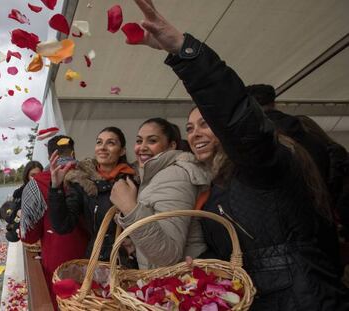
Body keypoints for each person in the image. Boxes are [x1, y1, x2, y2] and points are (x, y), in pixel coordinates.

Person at [128, 0, 349, 309]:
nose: (196, 134)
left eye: (206, 123)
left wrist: (184, 52)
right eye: (190, 128)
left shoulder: (260, 164)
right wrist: (204, 268)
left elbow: (239, 122)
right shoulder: (216, 184)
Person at [246, 84, 341, 273]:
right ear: (274, 102)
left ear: (248, 105)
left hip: (287, 244)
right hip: (323, 227)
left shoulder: (258, 141)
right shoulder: (309, 135)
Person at [110, 118, 211, 269]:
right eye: (139, 141)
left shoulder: (175, 175)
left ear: (171, 146)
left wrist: (129, 207)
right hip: (166, 280)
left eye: (152, 141)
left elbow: (168, 256)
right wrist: (137, 247)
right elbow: (159, 233)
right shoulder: (156, 175)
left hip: (180, 283)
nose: (142, 147)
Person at [48, 127, 138, 267]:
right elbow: (63, 225)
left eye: (111, 143)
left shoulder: (134, 181)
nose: (102, 147)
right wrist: (56, 187)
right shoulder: (82, 182)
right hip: (98, 263)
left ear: (122, 151)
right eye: (99, 142)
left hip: (131, 263)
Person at [20, 135, 88, 309]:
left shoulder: (36, 184)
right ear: (73, 152)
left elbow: (28, 236)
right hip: (93, 259)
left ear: (49, 155)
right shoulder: (91, 175)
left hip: (58, 264)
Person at [0, 161, 43, 242]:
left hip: (41, 230)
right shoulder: (19, 193)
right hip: (28, 230)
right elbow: (13, 217)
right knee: (12, 236)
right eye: (33, 175)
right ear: (27, 176)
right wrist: (18, 215)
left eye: (39, 175)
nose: (36, 178)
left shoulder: (47, 190)